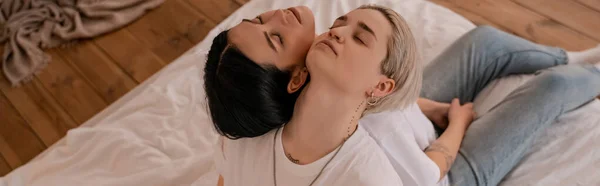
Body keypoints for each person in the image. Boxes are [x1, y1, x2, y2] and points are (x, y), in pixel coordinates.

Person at [204, 4, 600, 186]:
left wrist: (430, 106)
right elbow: (427, 174)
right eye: (274, 37)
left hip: (392, 108)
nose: (278, 13)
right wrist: (458, 122)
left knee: (483, 41)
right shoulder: (365, 163)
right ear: (296, 77)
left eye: (256, 18)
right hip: (443, 169)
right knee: (555, 86)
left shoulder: (322, 85)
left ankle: (574, 55)